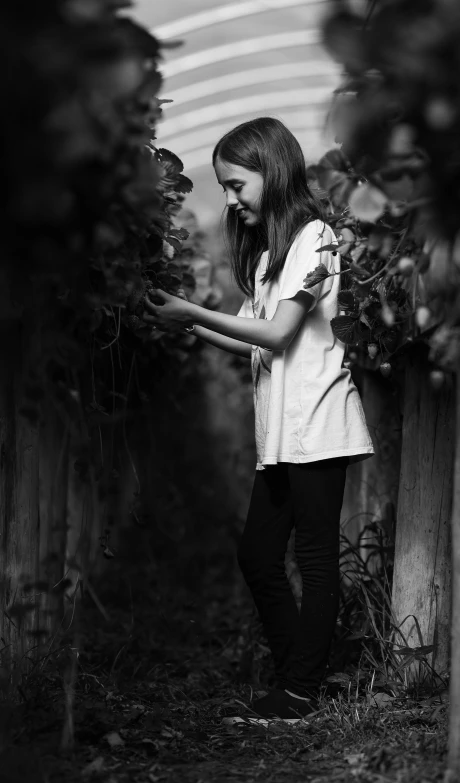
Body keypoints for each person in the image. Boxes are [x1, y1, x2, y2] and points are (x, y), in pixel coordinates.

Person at [143, 117, 374, 724]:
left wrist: (190, 309)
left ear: (270, 172)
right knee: (258, 556)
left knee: (316, 559)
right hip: (281, 435)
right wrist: (187, 322)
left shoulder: (317, 237)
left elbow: (277, 331)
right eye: (223, 186)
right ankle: (297, 676)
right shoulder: (273, 252)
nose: (229, 197)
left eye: (236, 184)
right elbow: (256, 344)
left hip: (318, 425)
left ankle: (298, 690)